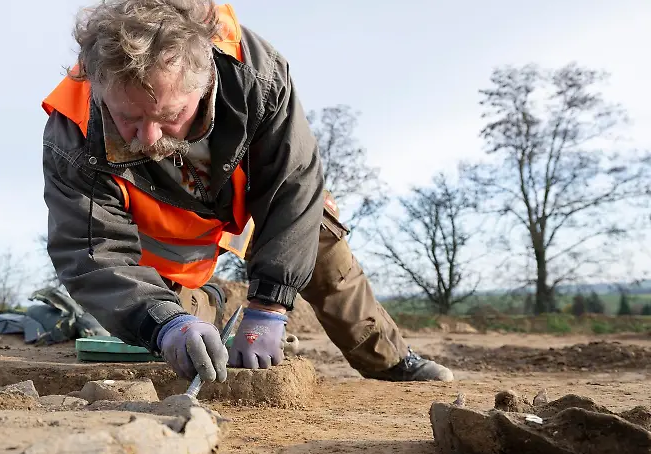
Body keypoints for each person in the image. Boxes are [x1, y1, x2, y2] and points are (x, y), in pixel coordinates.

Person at [41, 0, 453, 384]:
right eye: (128, 117)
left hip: (249, 203)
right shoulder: (73, 135)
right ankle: (209, 307)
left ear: (203, 83)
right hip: (167, 241)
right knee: (167, 329)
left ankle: (392, 361)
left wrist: (270, 305)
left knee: (318, 233)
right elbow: (92, 253)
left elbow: (294, 184)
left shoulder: (257, 75)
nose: (148, 139)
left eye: (171, 116)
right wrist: (165, 322)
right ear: (97, 86)